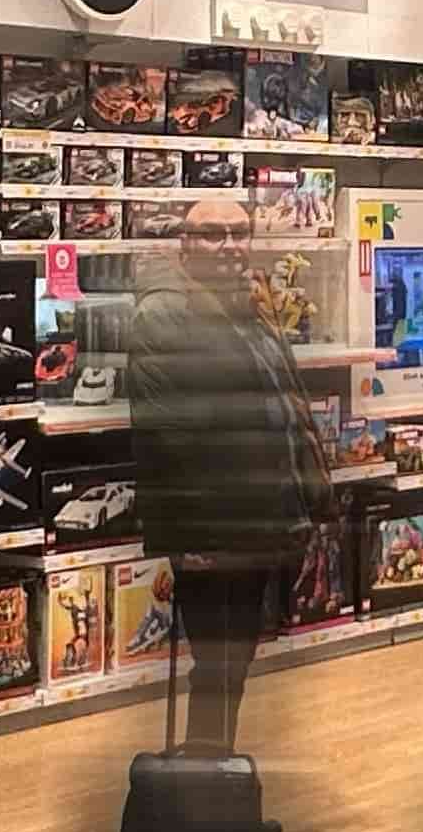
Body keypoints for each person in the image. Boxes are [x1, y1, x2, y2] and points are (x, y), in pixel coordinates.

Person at [128, 197, 329, 754]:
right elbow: (164, 434)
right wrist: (190, 538)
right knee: (216, 666)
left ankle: (217, 790)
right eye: (213, 234)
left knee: (234, 663)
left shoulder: (250, 304)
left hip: (259, 520)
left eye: (239, 233)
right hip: (212, 529)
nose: (229, 245)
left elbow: (283, 403)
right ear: (186, 244)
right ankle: (202, 802)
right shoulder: (166, 313)